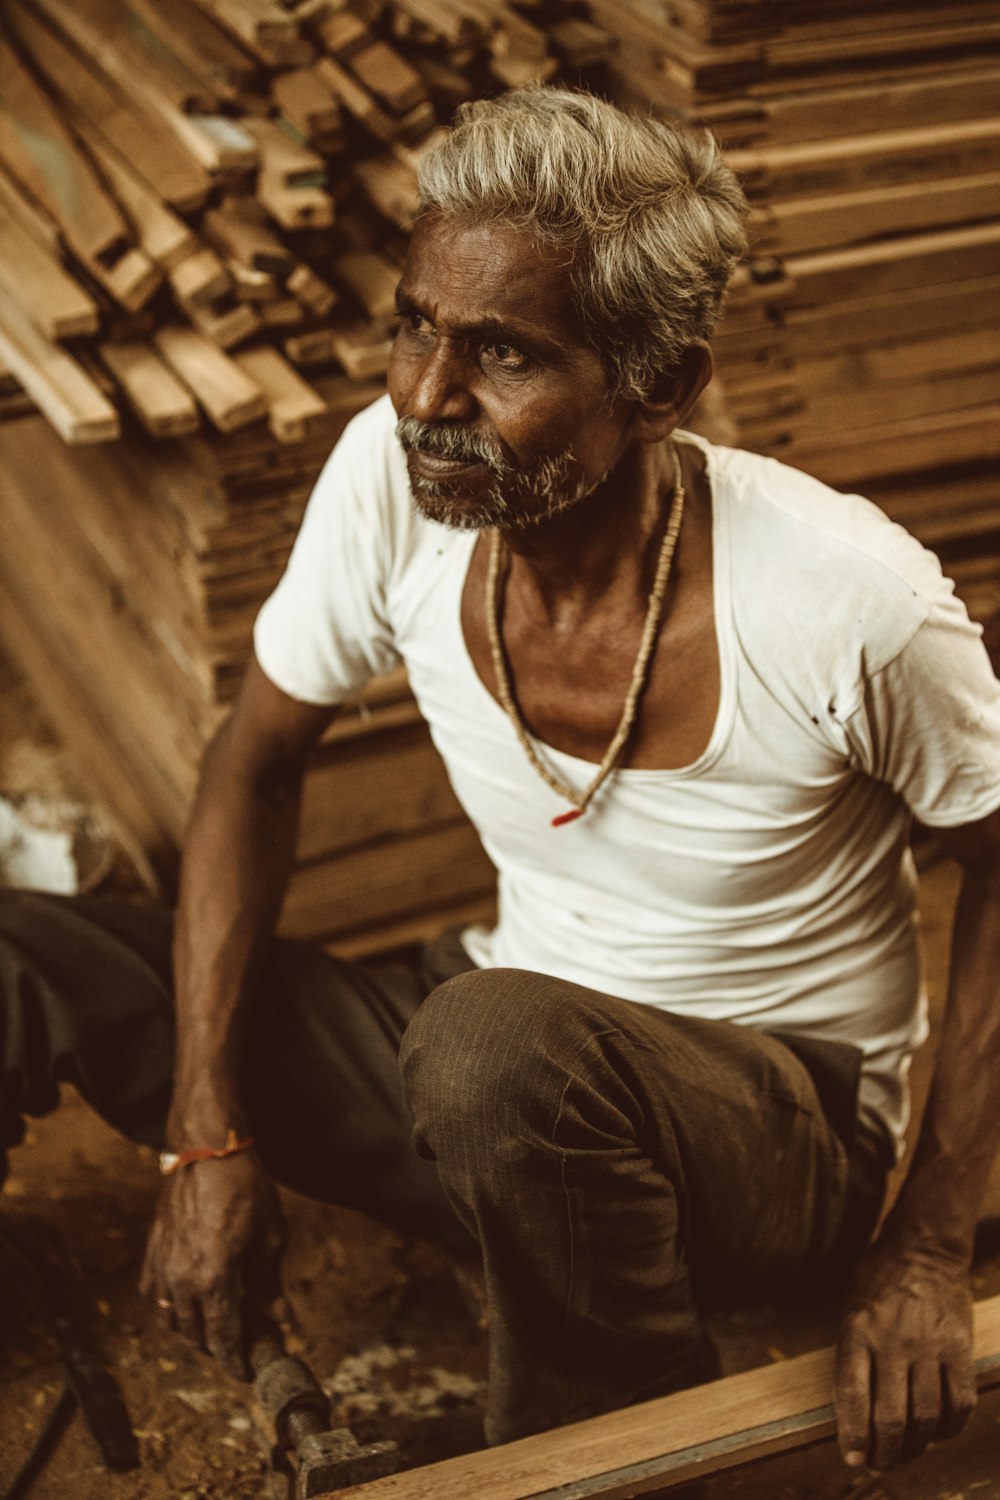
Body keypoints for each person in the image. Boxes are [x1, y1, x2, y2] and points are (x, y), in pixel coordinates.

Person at [2, 86, 999, 1474]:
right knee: (28, 947)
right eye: (416, 322)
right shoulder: (387, 477)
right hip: (498, 1064)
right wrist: (206, 1135)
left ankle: (595, 1453)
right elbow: (254, 761)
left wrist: (928, 1243)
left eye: (504, 353)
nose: (424, 395)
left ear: (660, 386)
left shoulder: (846, 601)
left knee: (490, 1054)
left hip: (773, 1135)